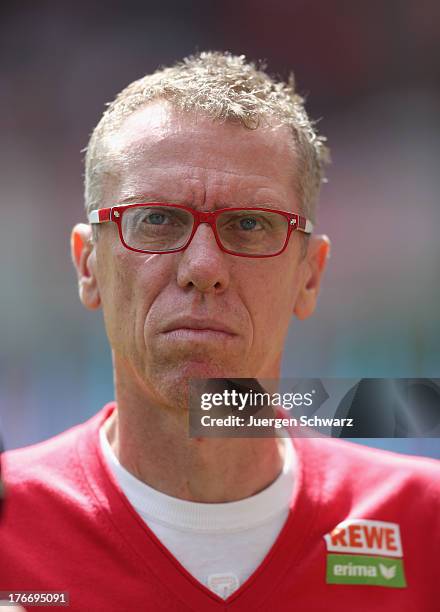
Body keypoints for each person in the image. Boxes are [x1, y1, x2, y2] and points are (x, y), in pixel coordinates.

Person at [1, 51, 439, 612]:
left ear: (310, 276)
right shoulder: (9, 525)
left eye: (250, 224)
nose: (202, 267)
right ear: (88, 266)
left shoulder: (423, 524)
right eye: (157, 219)